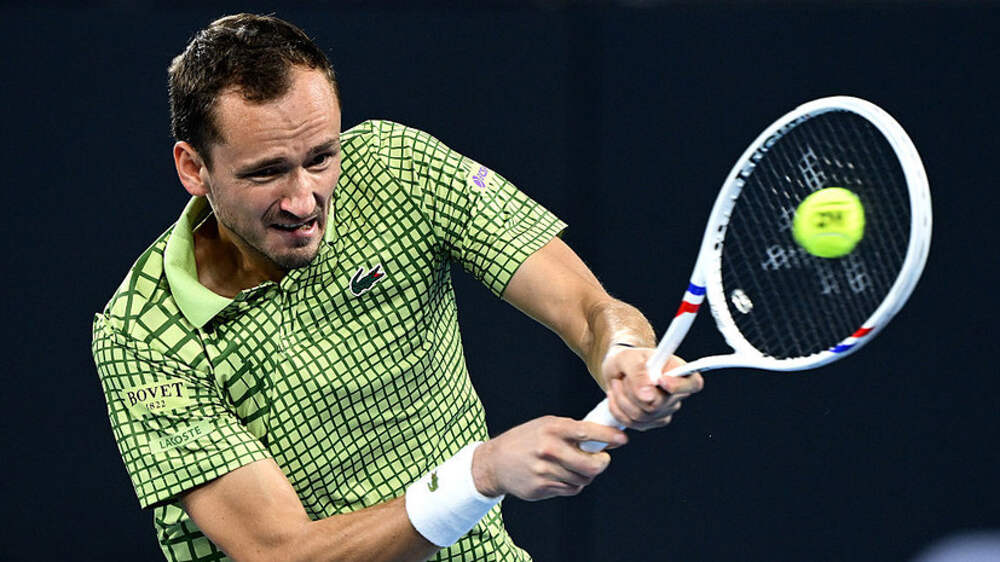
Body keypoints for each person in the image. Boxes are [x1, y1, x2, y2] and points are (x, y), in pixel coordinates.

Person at [91, 13, 703, 562]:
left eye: (321, 158)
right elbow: (282, 555)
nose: (304, 200)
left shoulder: (395, 168)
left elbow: (588, 309)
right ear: (193, 167)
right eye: (267, 172)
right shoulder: (141, 333)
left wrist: (622, 352)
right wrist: (479, 474)